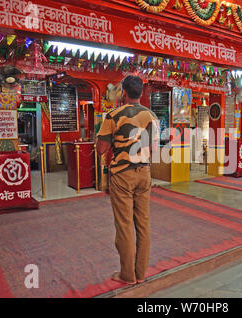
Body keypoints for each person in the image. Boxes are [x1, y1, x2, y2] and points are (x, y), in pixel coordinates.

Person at [96, 75, 159, 285]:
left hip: (122, 174)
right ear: (140, 93)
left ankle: (127, 275)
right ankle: (140, 274)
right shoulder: (152, 116)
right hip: (144, 173)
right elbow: (154, 149)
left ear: (123, 92)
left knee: (124, 225)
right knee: (143, 224)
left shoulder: (113, 115)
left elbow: (101, 149)